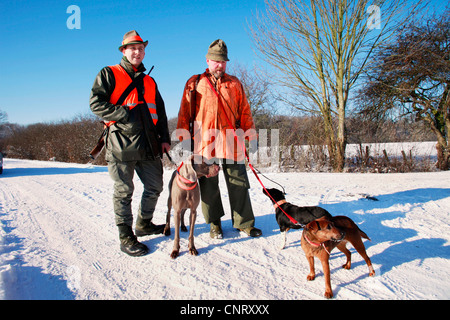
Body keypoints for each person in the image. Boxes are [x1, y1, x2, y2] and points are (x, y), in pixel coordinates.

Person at [90, 30, 171, 256]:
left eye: (141, 48)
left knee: (155, 186)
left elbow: (161, 114)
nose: (137, 52)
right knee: (124, 191)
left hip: (149, 144)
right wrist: (123, 112)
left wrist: (164, 139)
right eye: (133, 48)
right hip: (120, 144)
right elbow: (95, 104)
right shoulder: (109, 73)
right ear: (124, 51)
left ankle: (143, 224)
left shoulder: (150, 80)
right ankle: (126, 236)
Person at [176, 39, 262, 239]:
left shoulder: (235, 83)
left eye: (223, 61)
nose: (219, 65)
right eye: (215, 61)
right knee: (209, 187)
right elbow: (184, 113)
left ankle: (245, 223)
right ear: (207, 60)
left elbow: (245, 113)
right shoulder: (194, 83)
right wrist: (184, 138)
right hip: (204, 144)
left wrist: (251, 136)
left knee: (239, 184)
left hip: (232, 143)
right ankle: (215, 224)